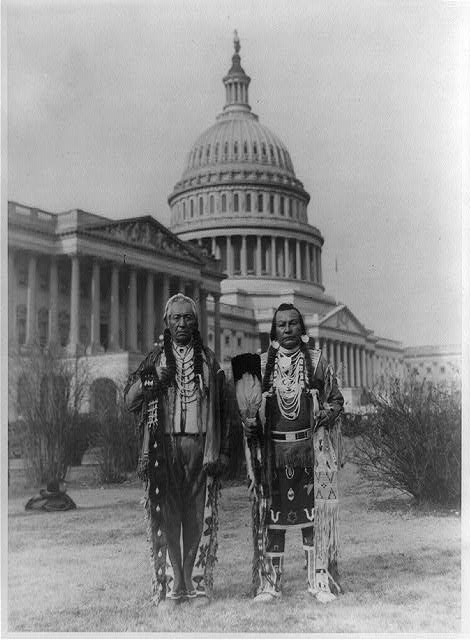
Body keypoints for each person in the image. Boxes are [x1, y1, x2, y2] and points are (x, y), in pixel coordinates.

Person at [233, 303, 344, 603]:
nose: (287, 329)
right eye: (281, 324)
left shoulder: (318, 362)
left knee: (313, 518)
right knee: (272, 519)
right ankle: (270, 583)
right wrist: (250, 422)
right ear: (273, 330)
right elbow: (248, 413)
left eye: (293, 324)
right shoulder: (258, 364)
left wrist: (326, 415)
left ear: (302, 328)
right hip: (273, 456)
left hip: (309, 452)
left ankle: (317, 580)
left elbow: (336, 400)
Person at [124, 293, 230, 608]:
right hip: (163, 447)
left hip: (200, 445)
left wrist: (222, 452)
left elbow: (225, 412)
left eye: (188, 318)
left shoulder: (210, 360)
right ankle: (173, 586)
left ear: (196, 323)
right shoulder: (154, 360)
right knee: (167, 515)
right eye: (176, 318)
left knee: (199, 515)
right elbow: (130, 400)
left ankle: (196, 585)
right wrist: (152, 381)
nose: (182, 323)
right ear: (167, 323)